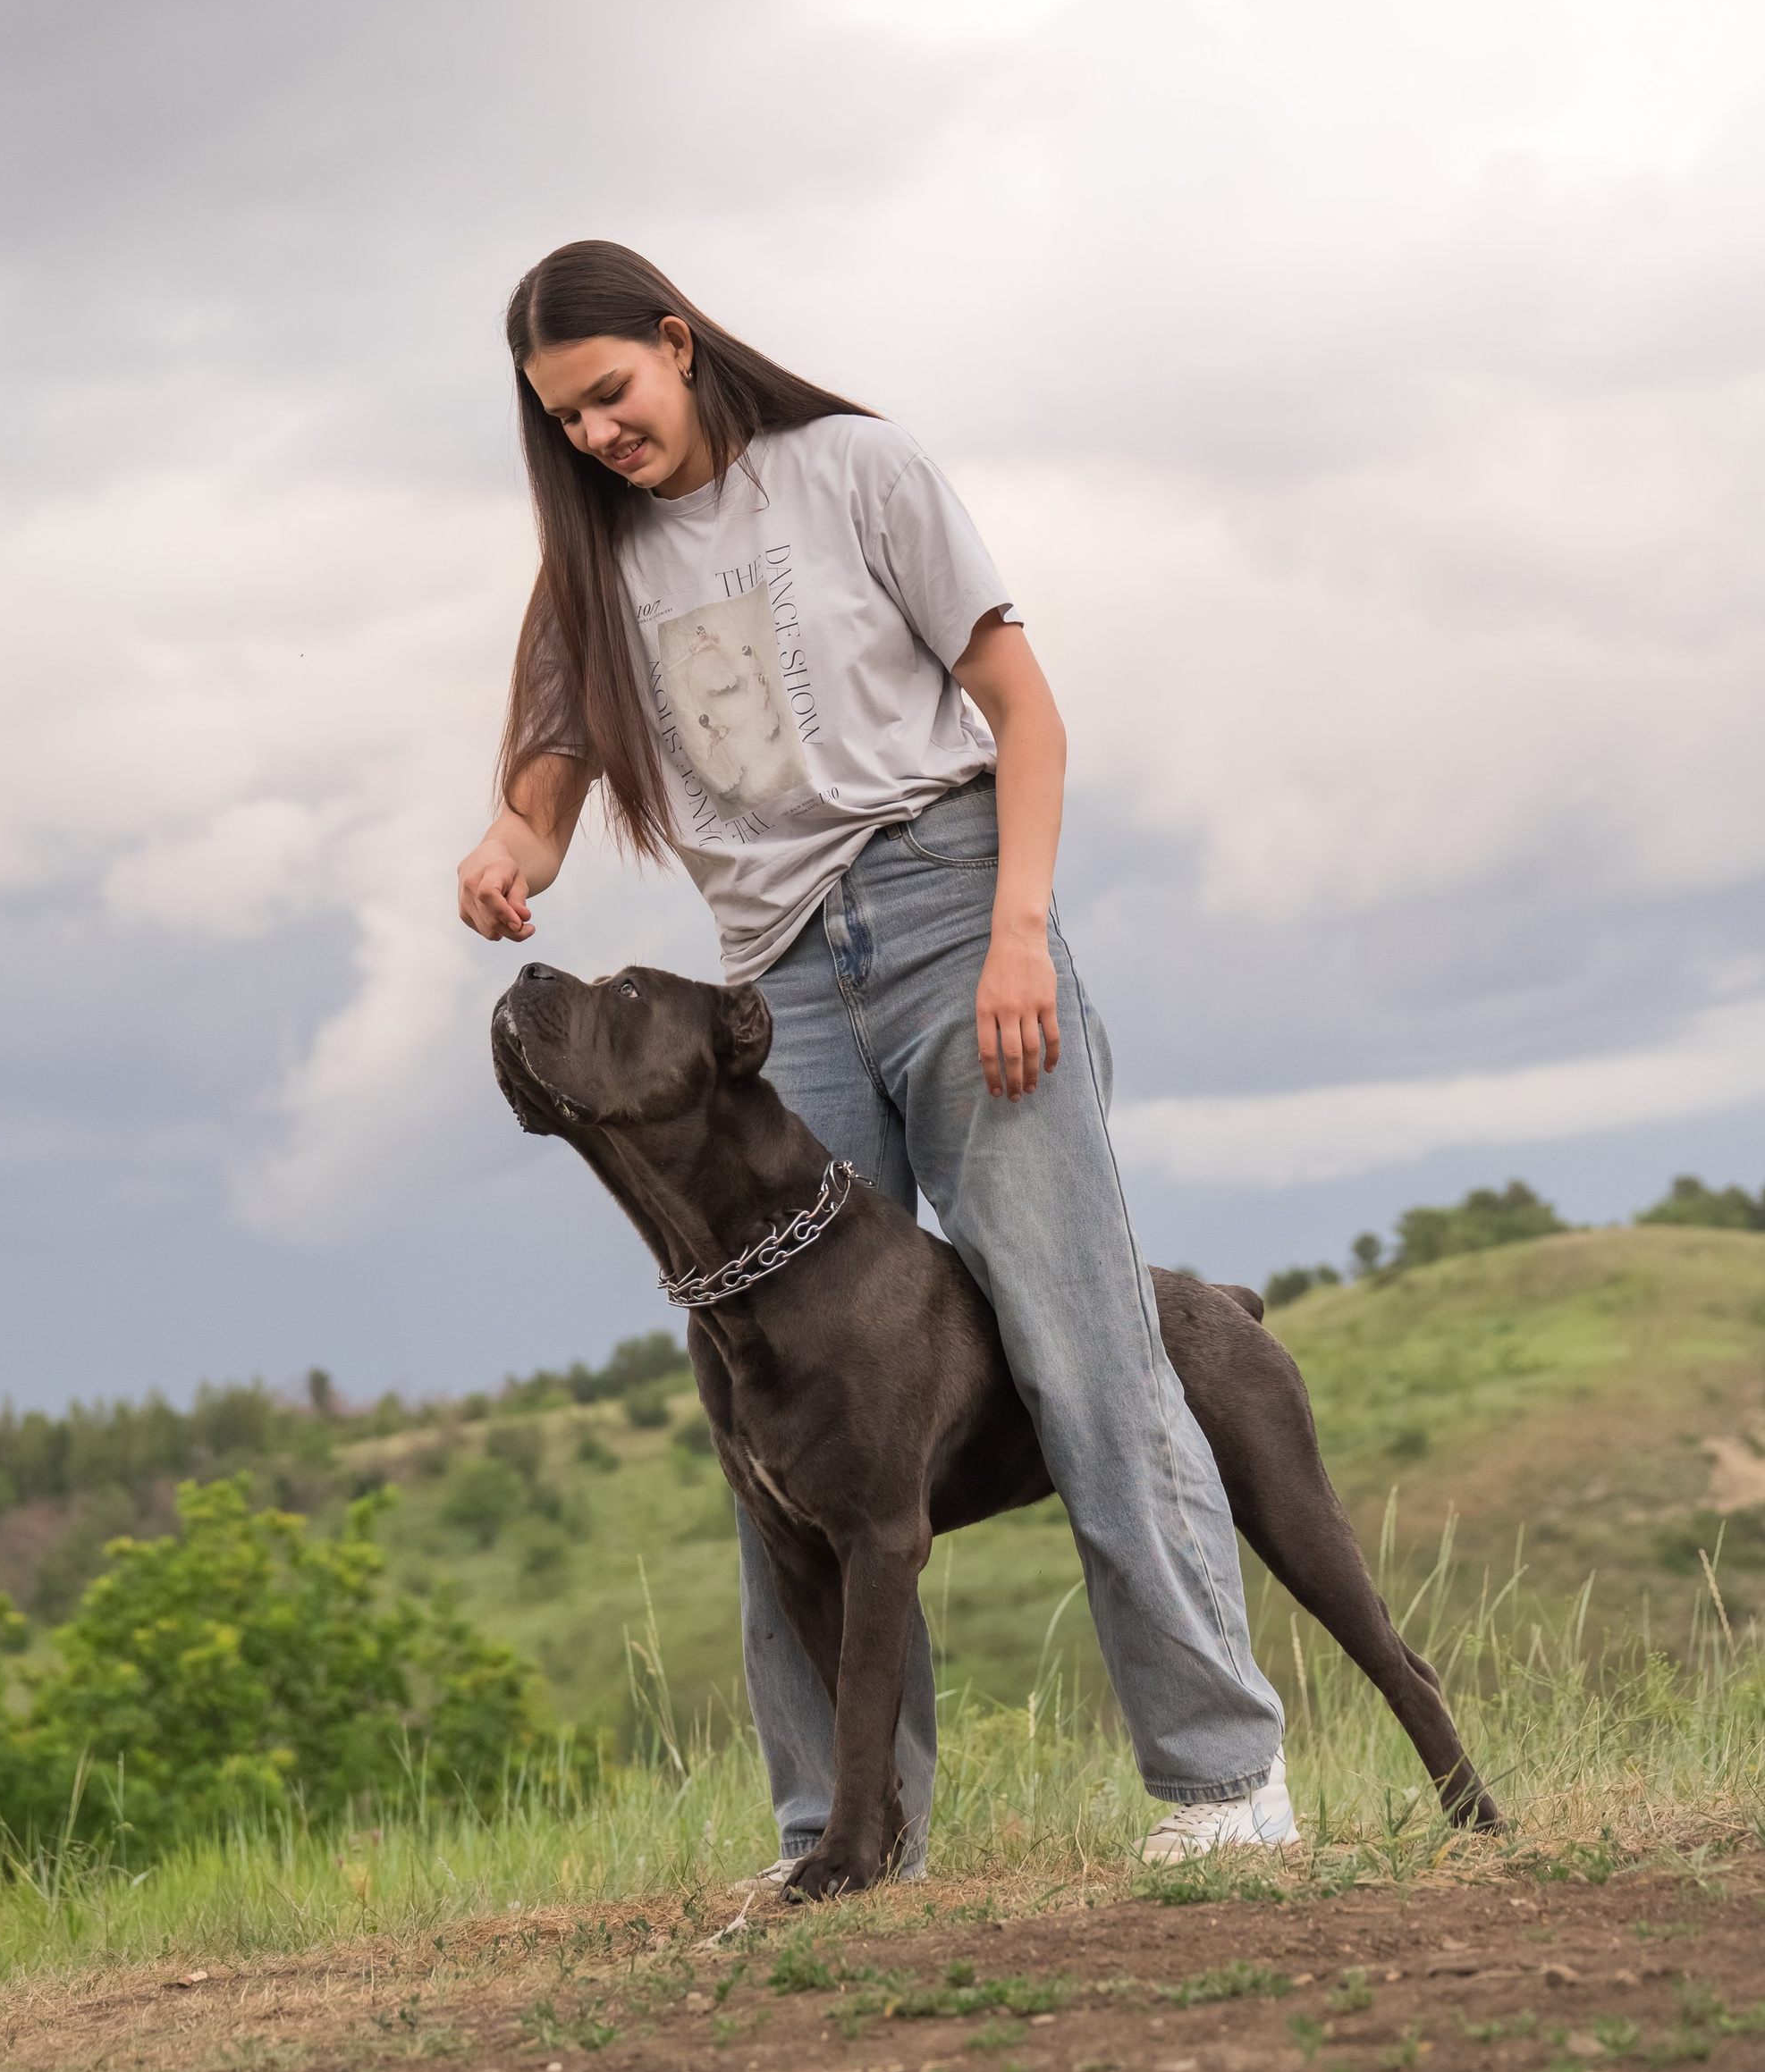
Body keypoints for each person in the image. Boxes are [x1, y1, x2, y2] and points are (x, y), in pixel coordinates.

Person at [455, 240, 1294, 1872]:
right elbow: (549, 767)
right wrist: (513, 841)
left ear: (679, 347)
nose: (597, 437)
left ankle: (1219, 1785)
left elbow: (1021, 707)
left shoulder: (857, 472)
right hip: (776, 988)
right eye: (563, 421)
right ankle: (845, 1836)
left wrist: (1016, 936)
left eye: (610, 396)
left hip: (950, 920)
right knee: (777, 1419)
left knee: (1085, 1352)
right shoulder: (590, 575)